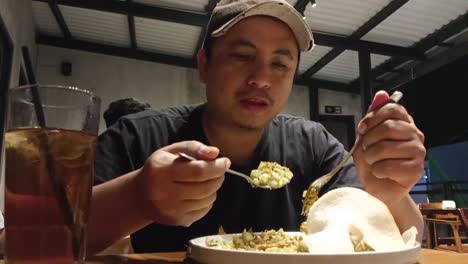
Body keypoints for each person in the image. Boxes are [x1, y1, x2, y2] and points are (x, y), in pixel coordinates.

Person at [88, 0, 426, 254]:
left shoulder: (315, 146)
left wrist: (391, 194)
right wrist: (137, 198)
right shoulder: (138, 137)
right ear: (205, 65)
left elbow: (402, 239)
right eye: (241, 56)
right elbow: (47, 231)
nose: (261, 79)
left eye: (280, 63)